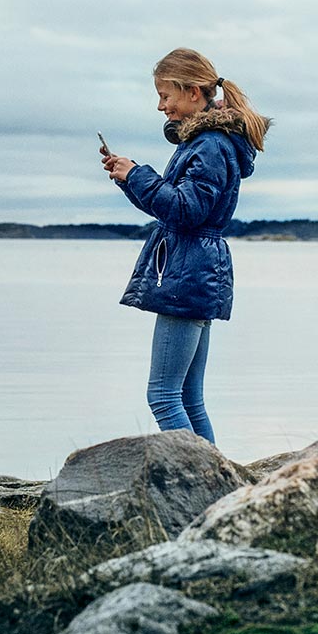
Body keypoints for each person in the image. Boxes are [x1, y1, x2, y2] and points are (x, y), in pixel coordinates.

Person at [100, 48, 268, 445]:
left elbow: (186, 210)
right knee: (189, 399)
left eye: (166, 96)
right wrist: (128, 179)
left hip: (189, 271)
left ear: (194, 92)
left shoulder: (209, 144)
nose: (161, 107)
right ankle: (218, 486)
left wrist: (138, 175)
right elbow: (173, 211)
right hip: (196, 267)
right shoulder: (208, 141)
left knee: (162, 396)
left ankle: (204, 485)